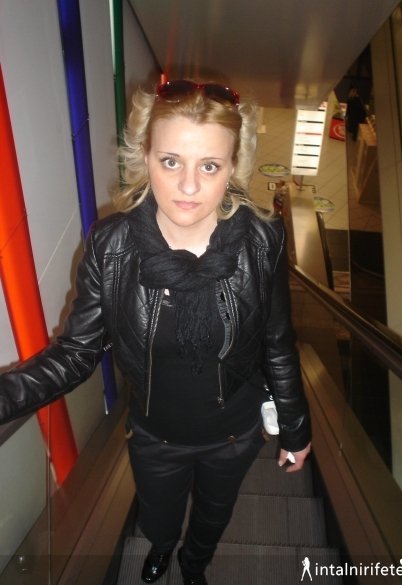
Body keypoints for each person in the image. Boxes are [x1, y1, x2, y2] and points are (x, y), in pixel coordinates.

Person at [0, 79, 311, 585]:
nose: (188, 186)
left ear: (232, 167)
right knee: (157, 514)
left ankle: (194, 564)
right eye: (171, 161)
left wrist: (296, 428)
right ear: (145, 157)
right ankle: (164, 547)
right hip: (155, 434)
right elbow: (76, 353)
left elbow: (277, 341)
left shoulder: (261, 240)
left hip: (234, 433)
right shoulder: (112, 246)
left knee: (214, 514)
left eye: (209, 166)